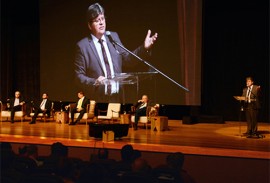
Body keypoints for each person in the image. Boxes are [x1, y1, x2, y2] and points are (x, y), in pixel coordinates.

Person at [74, 3, 158, 102]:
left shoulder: (112, 37)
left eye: (102, 18)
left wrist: (144, 48)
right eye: (97, 20)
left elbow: (128, 59)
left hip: (117, 98)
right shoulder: (83, 46)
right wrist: (95, 81)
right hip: (98, 99)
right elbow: (78, 76)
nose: (101, 23)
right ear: (89, 25)